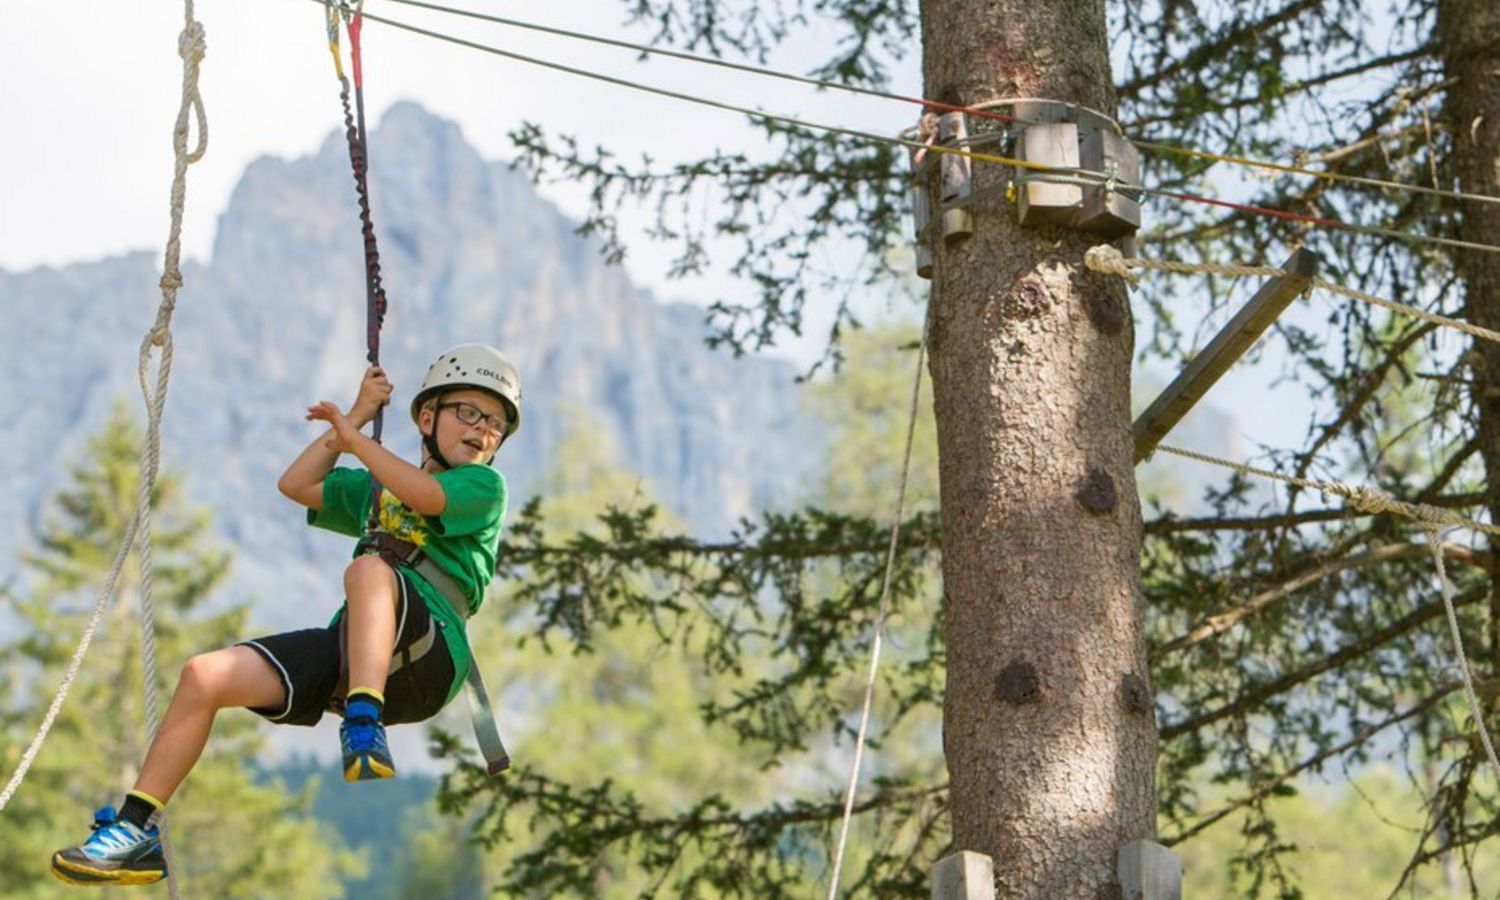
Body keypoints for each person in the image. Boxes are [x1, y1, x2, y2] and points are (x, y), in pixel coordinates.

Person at [49, 344, 521, 887]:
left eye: (495, 424)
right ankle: (135, 832)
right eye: (468, 412)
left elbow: (426, 495)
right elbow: (296, 484)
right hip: (358, 646)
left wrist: (356, 440)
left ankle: (364, 721)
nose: (482, 429)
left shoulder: (484, 487)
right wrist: (357, 415)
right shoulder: (376, 489)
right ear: (427, 416)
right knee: (204, 676)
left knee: (369, 570)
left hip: (430, 658)